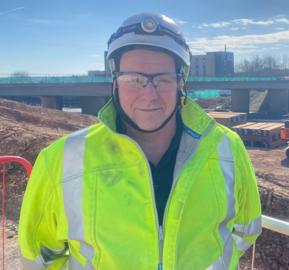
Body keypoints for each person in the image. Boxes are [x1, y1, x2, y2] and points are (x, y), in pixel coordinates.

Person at [19, 12, 262, 269]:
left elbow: (246, 229)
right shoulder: (60, 160)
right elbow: (38, 256)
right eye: (135, 79)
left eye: (163, 79)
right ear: (115, 82)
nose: (150, 94)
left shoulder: (227, 147)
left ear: (181, 84)